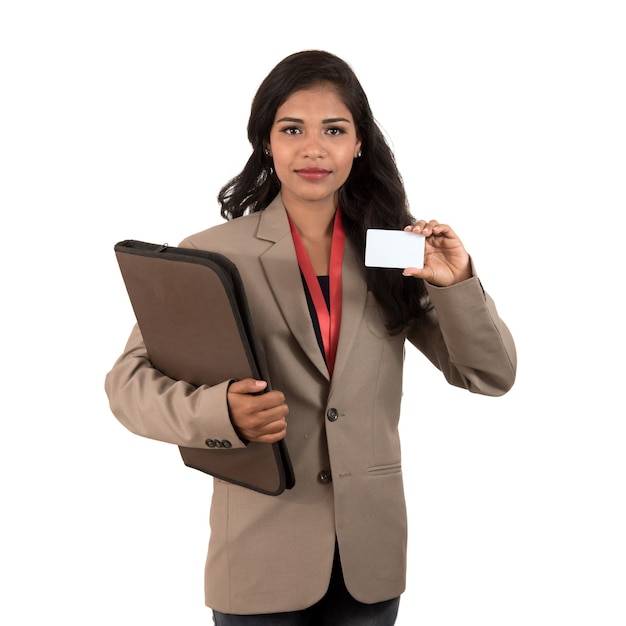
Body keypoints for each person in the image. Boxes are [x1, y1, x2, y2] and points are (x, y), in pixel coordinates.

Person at [105, 50, 516, 625]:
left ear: (359, 145)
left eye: (335, 130)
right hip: (257, 556)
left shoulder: (394, 250)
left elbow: (490, 375)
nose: (314, 148)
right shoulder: (211, 253)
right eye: (292, 129)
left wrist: (457, 284)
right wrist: (218, 412)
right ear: (267, 143)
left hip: (368, 560)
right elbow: (128, 386)